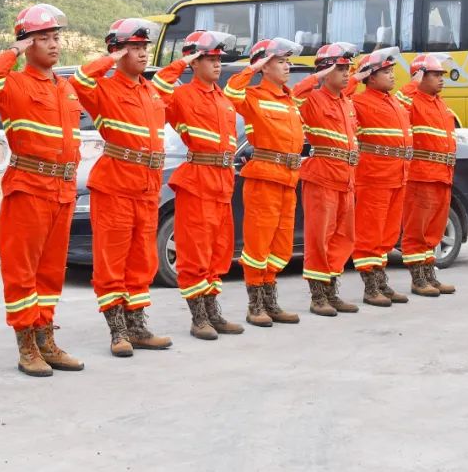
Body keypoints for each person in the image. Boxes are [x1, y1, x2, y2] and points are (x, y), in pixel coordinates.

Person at [0, 4, 85, 377]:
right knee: (23, 271)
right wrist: (15, 49)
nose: (53, 44)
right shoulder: (14, 85)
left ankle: (45, 336)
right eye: (43, 38)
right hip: (30, 186)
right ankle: (26, 343)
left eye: (55, 37)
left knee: (51, 272)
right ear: (26, 42)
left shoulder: (65, 88)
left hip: (63, 189)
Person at [70, 19, 191, 355]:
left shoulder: (150, 91)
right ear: (118, 50)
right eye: (133, 48)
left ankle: (137, 325)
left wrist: (184, 60)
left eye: (143, 48)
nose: (141, 53)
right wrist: (113, 56)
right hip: (116, 184)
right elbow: (80, 79)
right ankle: (117, 330)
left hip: (148, 185)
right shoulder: (104, 90)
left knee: (142, 260)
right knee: (112, 260)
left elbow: (167, 82)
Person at [165, 30, 245, 340]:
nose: (216, 65)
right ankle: (198, 317)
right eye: (209, 59)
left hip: (223, 180)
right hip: (198, 178)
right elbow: (158, 91)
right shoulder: (181, 94)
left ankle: (212, 310)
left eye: (217, 59)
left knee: (218, 251)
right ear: (194, 62)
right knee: (195, 251)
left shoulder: (223, 98)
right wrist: (180, 61)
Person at [223, 37, 305, 327]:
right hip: (264, 179)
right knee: (258, 245)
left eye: (287, 61)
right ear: (264, 66)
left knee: (281, 246)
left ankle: (270, 300)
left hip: (288, 179)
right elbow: (230, 93)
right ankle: (255, 305)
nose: (287, 67)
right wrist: (252, 66)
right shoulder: (254, 95)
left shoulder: (290, 99)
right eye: (281, 62)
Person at [293, 42, 360, 317]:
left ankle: (332, 288)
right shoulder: (312, 99)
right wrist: (317, 76)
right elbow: (292, 96)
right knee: (319, 238)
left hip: (346, 178)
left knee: (343, 237)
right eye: (340, 68)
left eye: (347, 68)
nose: (346, 74)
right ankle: (317, 295)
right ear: (326, 70)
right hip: (322, 176)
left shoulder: (347, 102)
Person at [348, 47, 413, 306]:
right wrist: (355, 76)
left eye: (392, 71)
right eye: (386, 72)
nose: (392, 76)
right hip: (374, 175)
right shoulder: (358, 101)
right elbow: (340, 95)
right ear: (370, 77)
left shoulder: (394, 101)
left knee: (387, 234)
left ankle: (381, 280)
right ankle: (370, 286)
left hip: (398, 175)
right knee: (369, 233)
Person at [401, 53, 458, 296]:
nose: (441, 79)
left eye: (441, 75)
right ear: (420, 76)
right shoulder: (411, 102)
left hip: (442, 176)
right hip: (422, 176)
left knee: (434, 230)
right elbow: (398, 103)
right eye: (435, 74)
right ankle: (417, 279)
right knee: (417, 230)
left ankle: (429, 274)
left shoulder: (440, 104)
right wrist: (412, 83)